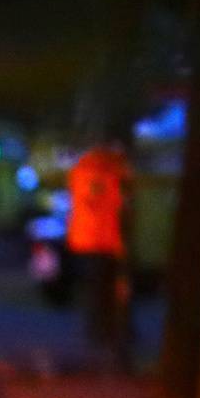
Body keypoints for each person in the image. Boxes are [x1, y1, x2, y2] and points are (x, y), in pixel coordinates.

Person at [66, 141, 132, 371]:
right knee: (101, 289)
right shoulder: (102, 175)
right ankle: (101, 331)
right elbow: (107, 208)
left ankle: (100, 330)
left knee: (97, 288)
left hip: (89, 239)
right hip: (100, 241)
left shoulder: (83, 172)